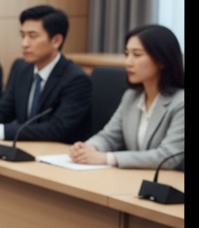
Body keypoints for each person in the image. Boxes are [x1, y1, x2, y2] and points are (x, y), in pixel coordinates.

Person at [0, 5, 91, 144]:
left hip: (58, 154)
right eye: (23, 36)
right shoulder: (21, 68)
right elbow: (4, 108)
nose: (24, 43)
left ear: (56, 41)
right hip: (24, 147)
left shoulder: (76, 79)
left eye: (32, 36)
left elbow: (57, 129)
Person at [70, 24, 184, 169]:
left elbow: (166, 157)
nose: (128, 62)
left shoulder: (181, 102)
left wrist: (108, 158)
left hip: (170, 186)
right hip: (135, 178)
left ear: (162, 60)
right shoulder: (131, 96)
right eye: (127, 54)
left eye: (136, 55)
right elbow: (109, 136)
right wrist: (88, 148)